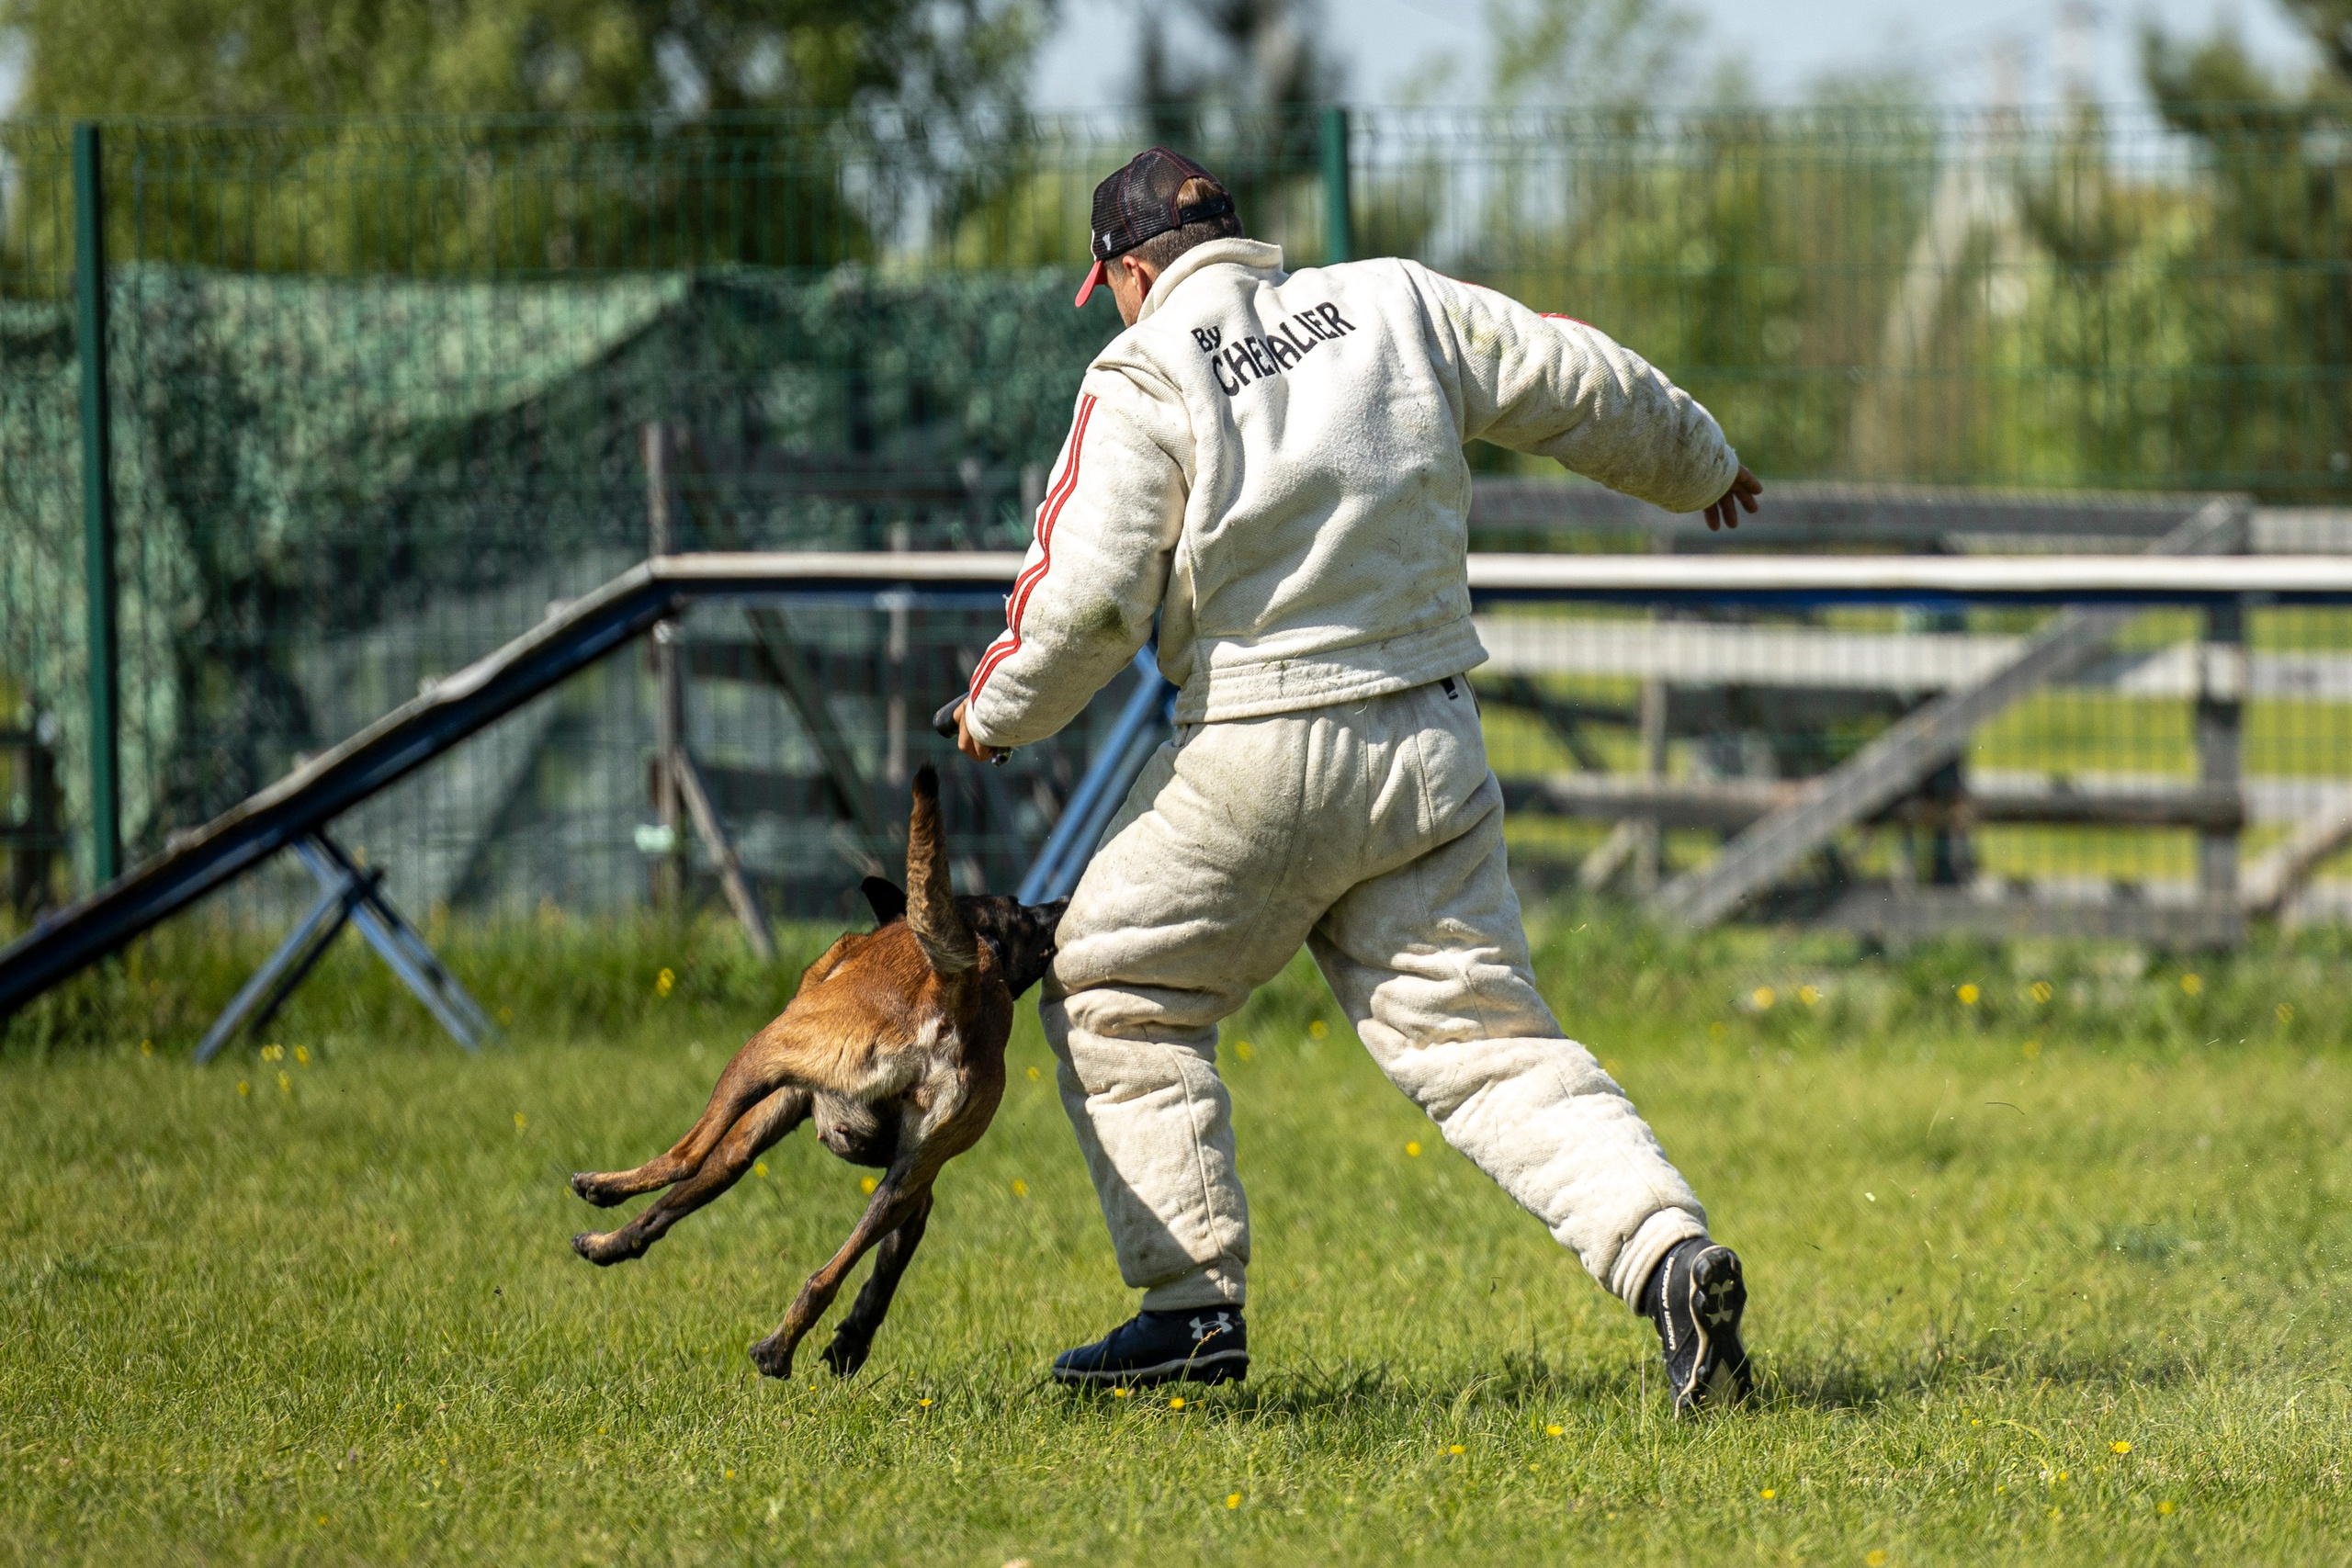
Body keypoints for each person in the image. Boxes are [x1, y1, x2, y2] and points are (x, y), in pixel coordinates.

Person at [948, 147, 1765, 1413]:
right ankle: (1670, 1255)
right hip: (1429, 742)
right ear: (1238, 236)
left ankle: (1187, 1312)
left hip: (1255, 756)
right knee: (1494, 1047)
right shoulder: (1396, 300)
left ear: (1126, 272)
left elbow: (1094, 591)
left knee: (1116, 986)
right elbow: (1572, 375)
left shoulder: (1145, 368)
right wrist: (1701, 463)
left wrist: (1000, 711)